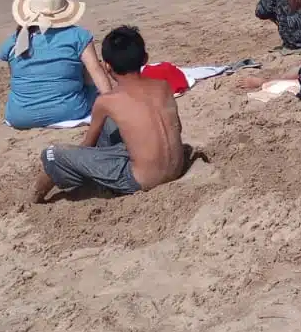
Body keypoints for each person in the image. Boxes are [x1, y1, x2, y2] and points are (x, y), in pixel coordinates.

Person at [32, 25, 186, 202]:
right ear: (145, 59)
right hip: (176, 169)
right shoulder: (163, 86)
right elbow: (177, 128)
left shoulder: (107, 101)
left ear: (107, 66)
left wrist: (78, 160)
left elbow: (87, 146)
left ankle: (34, 198)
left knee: (52, 154)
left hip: (138, 181)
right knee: (111, 125)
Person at [0, 0, 112, 129]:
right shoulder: (78, 35)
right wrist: (112, 101)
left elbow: (14, 74)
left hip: (19, 116)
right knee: (91, 64)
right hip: (70, 111)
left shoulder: (16, 39)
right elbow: (96, 71)